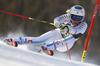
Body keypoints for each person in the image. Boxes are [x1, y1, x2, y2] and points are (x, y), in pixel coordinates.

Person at [4, 5, 87, 56]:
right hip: (58, 33)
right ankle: (15, 41)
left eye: (79, 18)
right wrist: (59, 24)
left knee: (71, 38)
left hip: (65, 45)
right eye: (74, 17)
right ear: (70, 15)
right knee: (39, 40)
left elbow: (76, 31)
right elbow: (56, 19)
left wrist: (67, 28)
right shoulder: (67, 16)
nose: (76, 20)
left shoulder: (84, 25)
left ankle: (47, 47)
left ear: (83, 18)